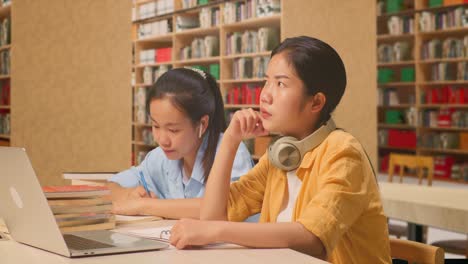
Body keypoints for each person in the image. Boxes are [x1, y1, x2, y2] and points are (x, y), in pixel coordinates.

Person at [168, 36, 392, 263]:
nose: (264, 95)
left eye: (281, 84)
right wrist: (230, 140)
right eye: (267, 81)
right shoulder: (280, 156)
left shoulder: (343, 152)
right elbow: (212, 216)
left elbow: (312, 238)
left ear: (316, 102)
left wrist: (216, 231)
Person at [109, 68, 254, 219]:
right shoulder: (160, 157)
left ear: (202, 124)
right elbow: (110, 186)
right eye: (156, 126)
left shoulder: (232, 151)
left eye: (173, 130)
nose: (162, 140)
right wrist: (127, 194)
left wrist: (144, 206)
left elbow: (223, 208)